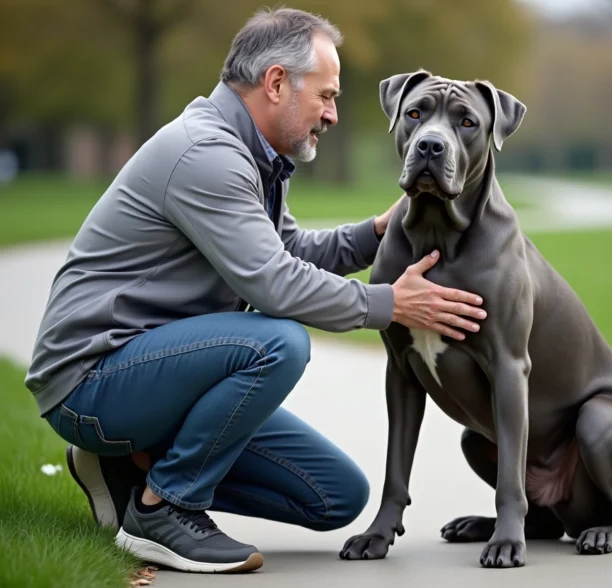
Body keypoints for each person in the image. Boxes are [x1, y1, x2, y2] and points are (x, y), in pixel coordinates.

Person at [25, 6, 486, 574]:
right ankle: (165, 508)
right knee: (278, 342)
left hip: (155, 372)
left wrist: (375, 234)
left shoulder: (255, 156)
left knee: (335, 496)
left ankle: (127, 466)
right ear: (275, 83)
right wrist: (390, 304)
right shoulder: (208, 154)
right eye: (326, 95)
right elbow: (273, 283)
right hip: (92, 378)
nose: (333, 114)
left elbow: (286, 251)